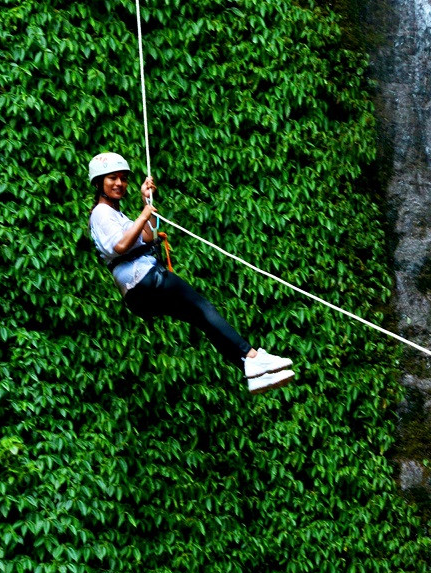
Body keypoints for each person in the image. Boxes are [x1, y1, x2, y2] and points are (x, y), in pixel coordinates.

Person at [87, 152, 295, 394]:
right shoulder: (101, 213)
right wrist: (144, 214)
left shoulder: (115, 214)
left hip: (138, 290)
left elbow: (147, 236)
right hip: (145, 279)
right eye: (112, 178)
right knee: (203, 306)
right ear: (99, 182)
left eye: (123, 179)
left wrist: (146, 203)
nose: (119, 184)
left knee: (201, 318)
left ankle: (250, 369)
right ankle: (252, 357)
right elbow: (120, 246)